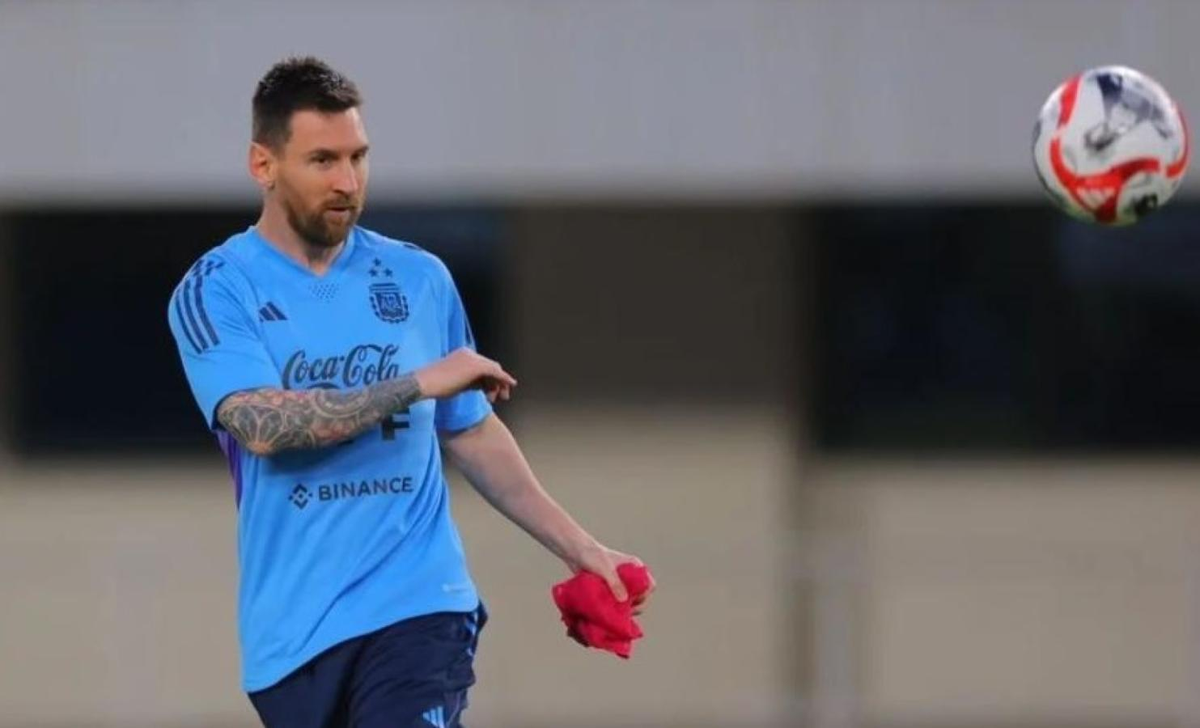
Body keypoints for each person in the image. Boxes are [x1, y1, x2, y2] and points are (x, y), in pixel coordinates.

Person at [166, 56, 652, 728]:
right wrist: (418, 381)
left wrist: (582, 549)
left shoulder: (418, 278)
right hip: (292, 636)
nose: (347, 182)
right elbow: (261, 425)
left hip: (420, 606)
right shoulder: (218, 288)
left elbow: (470, 429)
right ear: (263, 165)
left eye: (358, 158)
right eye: (322, 161)